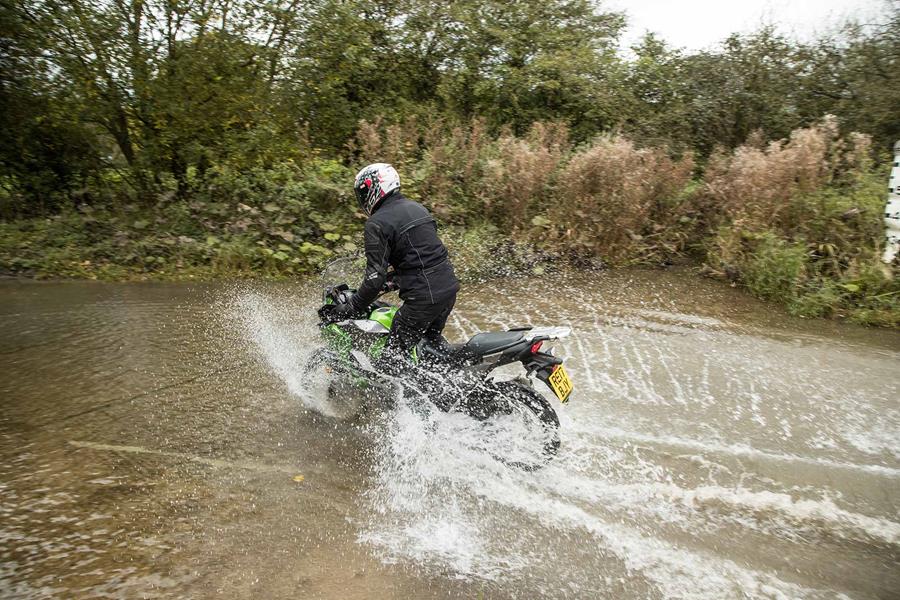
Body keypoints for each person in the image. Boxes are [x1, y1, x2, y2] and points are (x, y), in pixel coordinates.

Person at [329, 163, 459, 368]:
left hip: (423, 299)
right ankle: (447, 385)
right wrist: (391, 282)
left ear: (374, 189)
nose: (361, 199)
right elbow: (420, 260)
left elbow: (374, 278)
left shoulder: (377, 223)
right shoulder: (417, 208)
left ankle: (411, 398)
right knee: (428, 346)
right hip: (448, 290)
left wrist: (351, 308)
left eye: (363, 192)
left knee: (391, 362)